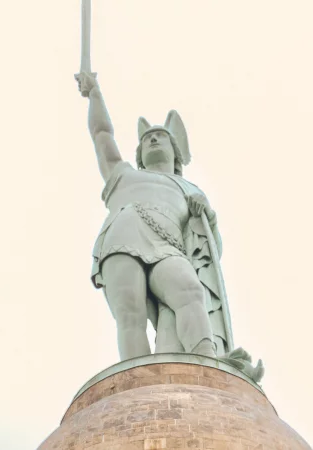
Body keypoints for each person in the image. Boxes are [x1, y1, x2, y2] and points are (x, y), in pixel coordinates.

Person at [76, 72, 228, 361]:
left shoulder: (191, 190)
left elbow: (211, 252)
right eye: (147, 139)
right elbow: (101, 134)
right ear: (140, 153)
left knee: (190, 292)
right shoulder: (123, 175)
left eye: (160, 137)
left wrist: (207, 216)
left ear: (175, 150)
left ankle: (207, 366)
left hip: (170, 246)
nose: (153, 140)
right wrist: (94, 93)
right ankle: (138, 382)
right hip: (123, 235)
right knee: (130, 316)